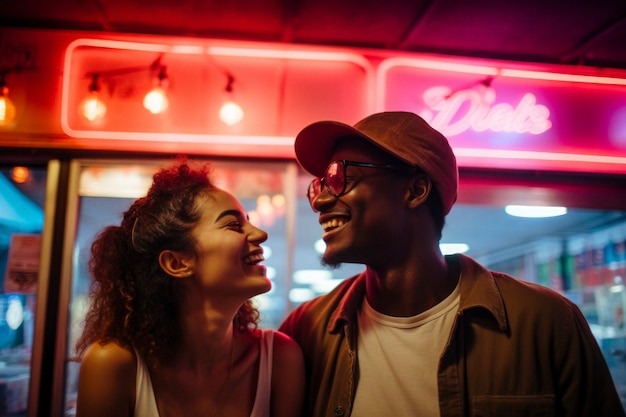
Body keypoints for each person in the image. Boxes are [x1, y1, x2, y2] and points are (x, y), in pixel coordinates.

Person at [279, 111, 625, 417]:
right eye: (320, 185)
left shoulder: (546, 322)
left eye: (340, 177)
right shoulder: (305, 330)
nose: (321, 199)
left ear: (415, 190)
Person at [75, 159, 304, 417]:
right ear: (176, 263)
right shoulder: (114, 364)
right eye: (233, 225)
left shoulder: (280, 359)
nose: (260, 234)